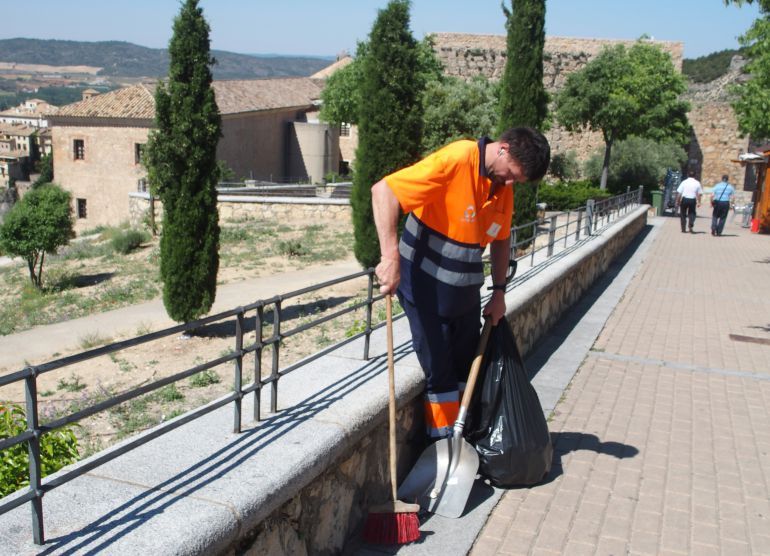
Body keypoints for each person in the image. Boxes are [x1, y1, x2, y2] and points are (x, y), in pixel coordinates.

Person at [371, 128, 550, 438]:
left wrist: (499, 292)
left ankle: (460, 439)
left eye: (517, 181)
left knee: (467, 369)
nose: (511, 184)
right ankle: (441, 447)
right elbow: (383, 192)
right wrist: (389, 258)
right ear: (503, 149)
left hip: (464, 293)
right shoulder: (458, 159)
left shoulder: (500, 186)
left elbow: (501, 239)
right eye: (513, 175)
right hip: (424, 287)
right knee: (439, 372)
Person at [675, 169, 703, 233]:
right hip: (692, 200)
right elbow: (699, 194)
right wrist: (699, 202)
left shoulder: (684, 182)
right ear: (695, 175)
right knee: (692, 213)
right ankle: (691, 224)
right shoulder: (697, 183)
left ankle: (683, 229)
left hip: (684, 199)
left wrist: (677, 201)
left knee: (683, 214)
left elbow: (679, 193)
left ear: (688, 175)